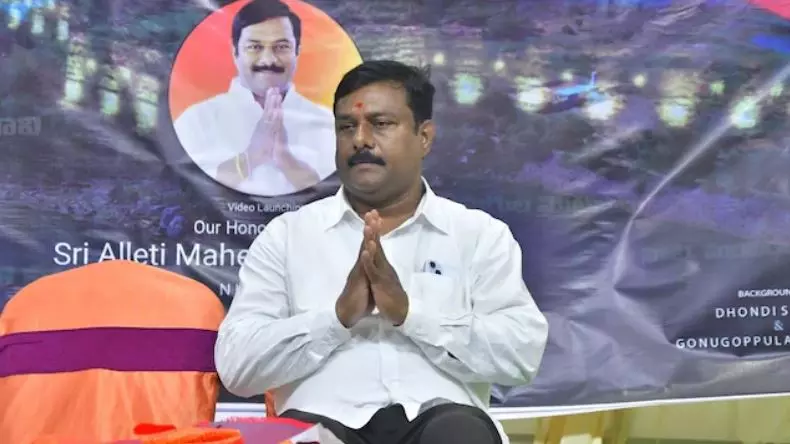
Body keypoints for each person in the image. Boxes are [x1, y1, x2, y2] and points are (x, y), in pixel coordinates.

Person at [215, 60, 549, 444]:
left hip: (443, 424)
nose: (361, 139)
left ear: (424, 137)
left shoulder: (478, 235)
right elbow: (236, 368)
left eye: (381, 124)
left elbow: (522, 355)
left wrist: (410, 315)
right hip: (324, 424)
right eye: (346, 126)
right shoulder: (287, 236)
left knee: (460, 434)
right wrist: (337, 319)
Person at [173, 0, 336, 197]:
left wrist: (285, 158)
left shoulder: (328, 123)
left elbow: (335, 193)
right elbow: (190, 193)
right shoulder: (196, 120)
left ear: (297, 52)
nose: (268, 60)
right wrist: (251, 157)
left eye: (281, 47)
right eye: (255, 47)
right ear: (235, 52)